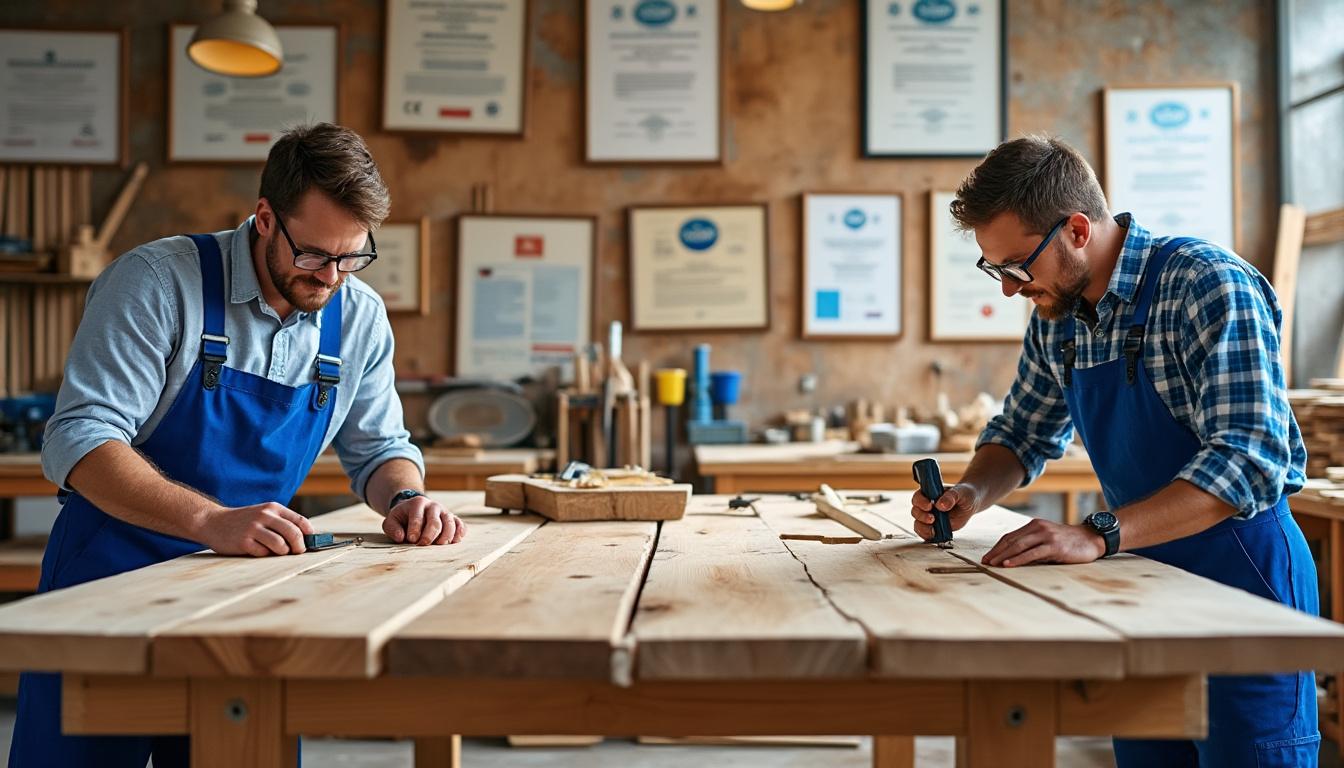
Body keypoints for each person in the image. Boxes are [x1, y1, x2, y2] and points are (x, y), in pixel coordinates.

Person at [10, 122, 466, 767]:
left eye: (351, 256)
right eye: (312, 254)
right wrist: (208, 520)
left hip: (245, 594)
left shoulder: (358, 315)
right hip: (110, 577)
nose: (331, 276)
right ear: (264, 218)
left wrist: (407, 496)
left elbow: (379, 444)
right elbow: (81, 436)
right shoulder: (156, 282)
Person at [911, 135, 1320, 766]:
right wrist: (970, 492)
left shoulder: (1205, 284)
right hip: (1141, 584)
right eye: (997, 271)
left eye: (1020, 266)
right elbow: (1022, 433)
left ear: (1077, 229)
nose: (1014, 288)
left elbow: (1249, 456)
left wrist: (1099, 533)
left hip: (1243, 583)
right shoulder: (1060, 315)